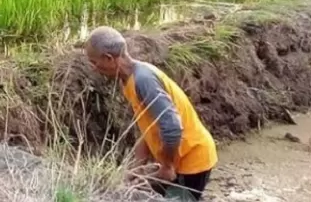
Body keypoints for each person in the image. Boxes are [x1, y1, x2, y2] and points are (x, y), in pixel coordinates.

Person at [84, 26, 217, 201]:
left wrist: (167, 166)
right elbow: (147, 127)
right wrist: (136, 167)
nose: (94, 68)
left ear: (109, 59)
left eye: (94, 63)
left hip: (191, 159)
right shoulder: (129, 81)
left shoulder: (143, 81)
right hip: (176, 157)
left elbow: (172, 126)